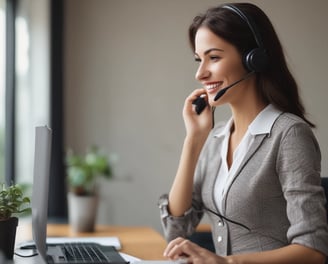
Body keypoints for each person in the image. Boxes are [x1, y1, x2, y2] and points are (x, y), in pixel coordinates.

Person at [158, 2, 328, 264]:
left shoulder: (289, 134)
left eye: (213, 58)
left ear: (254, 59)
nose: (200, 73)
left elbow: (313, 252)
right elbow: (176, 230)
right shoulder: (214, 140)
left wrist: (227, 262)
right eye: (198, 59)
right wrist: (193, 140)